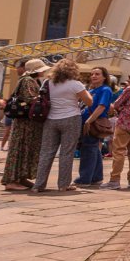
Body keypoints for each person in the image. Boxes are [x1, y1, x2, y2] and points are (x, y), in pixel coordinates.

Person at [34, 59, 92, 192]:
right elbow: (89, 102)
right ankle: (63, 184)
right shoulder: (76, 84)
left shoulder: (48, 82)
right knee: (66, 153)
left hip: (50, 119)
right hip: (71, 118)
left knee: (46, 153)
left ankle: (38, 185)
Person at [1, 59, 46, 191]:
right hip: (24, 123)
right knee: (20, 148)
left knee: (26, 149)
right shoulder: (27, 81)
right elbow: (30, 98)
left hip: (28, 122)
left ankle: (21, 177)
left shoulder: (30, 80)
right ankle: (12, 180)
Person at [76, 66, 113, 186]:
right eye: (92, 74)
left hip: (93, 122)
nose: (93, 76)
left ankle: (85, 178)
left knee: (88, 149)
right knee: (93, 149)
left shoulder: (105, 90)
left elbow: (101, 106)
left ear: (104, 77)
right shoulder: (91, 90)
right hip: (86, 121)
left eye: (97, 74)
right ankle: (96, 177)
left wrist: (89, 121)